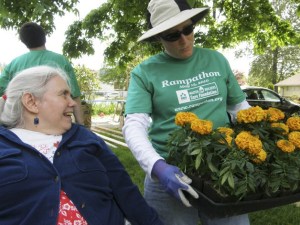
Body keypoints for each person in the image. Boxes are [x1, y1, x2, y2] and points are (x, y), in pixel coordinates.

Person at [122, 0, 251, 224]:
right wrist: (157, 167)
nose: (184, 40)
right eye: (172, 36)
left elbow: (240, 109)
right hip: (169, 176)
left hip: (224, 170)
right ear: (158, 37)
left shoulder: (216, 60)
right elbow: (134, 125)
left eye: (188, 29)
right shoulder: (144, 73)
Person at [0, 65, 164, 225]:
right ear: (31, 102)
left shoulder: (84, 138)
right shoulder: (4, 147)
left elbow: (126, 192)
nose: (73, 103)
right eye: (64, 94)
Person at [0, 22, 84, 124]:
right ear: (44, 37)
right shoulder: (61, 61)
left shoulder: (14, 63)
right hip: (54, 122)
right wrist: (81, 126)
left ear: (24, 42)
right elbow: (74, 95)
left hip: (22, 124)